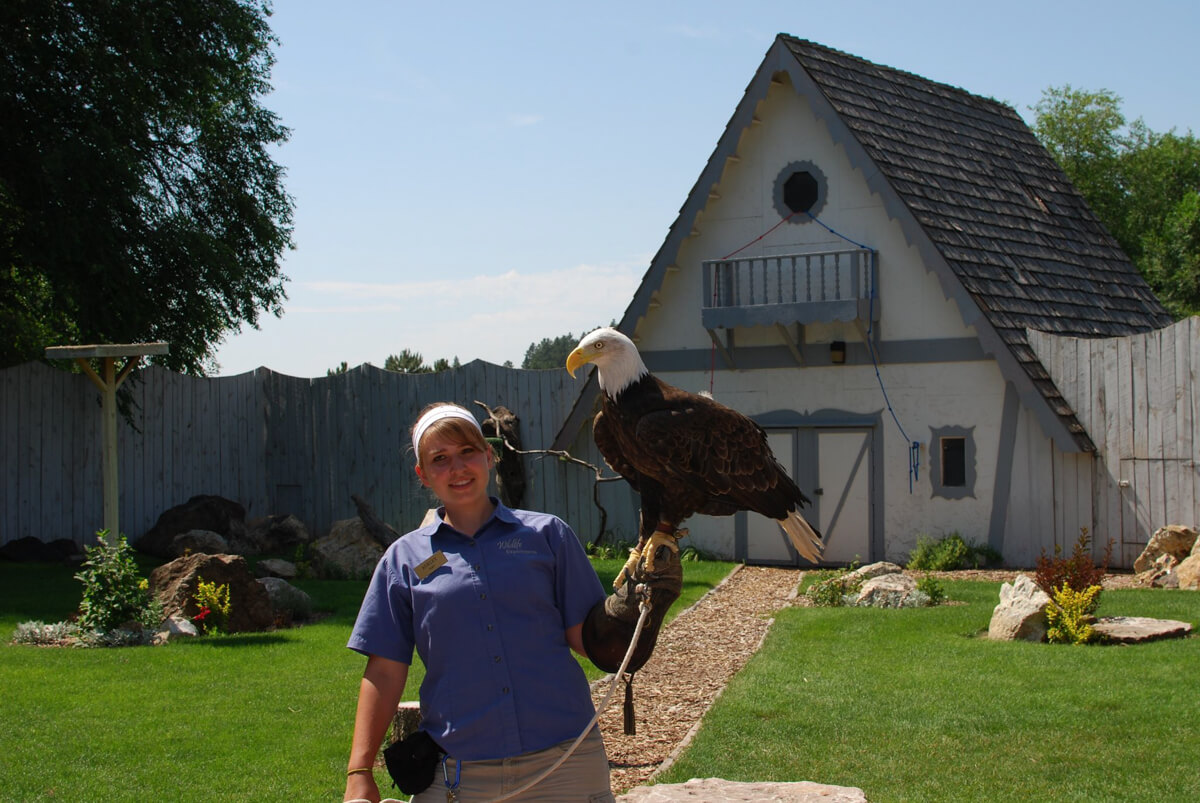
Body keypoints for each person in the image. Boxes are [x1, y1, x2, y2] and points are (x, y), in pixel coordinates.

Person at [344, 403, 679, 803]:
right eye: (440, 459)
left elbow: (586, 639)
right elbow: (384, 669)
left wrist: (635, 612)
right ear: (423, 474)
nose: (458, 467)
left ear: (489, 456)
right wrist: (359, 770)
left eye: (468, 452)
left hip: (566, 763)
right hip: (459, 777)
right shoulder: (404, 559)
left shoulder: (547, 535)